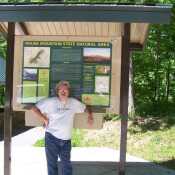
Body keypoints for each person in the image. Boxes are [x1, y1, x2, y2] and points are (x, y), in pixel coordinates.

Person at [31, 80, 93, 175]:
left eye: (66, 89)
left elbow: (85, 107)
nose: (63, 91)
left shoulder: (73, 102)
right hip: (52, 138)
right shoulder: (51, 102)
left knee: (66, 166)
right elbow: (34, 108)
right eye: (61, 89)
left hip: (66, 141)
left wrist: (90, 115)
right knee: (52, 165)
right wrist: (44, 118)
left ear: (68, 91)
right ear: (57, 91)